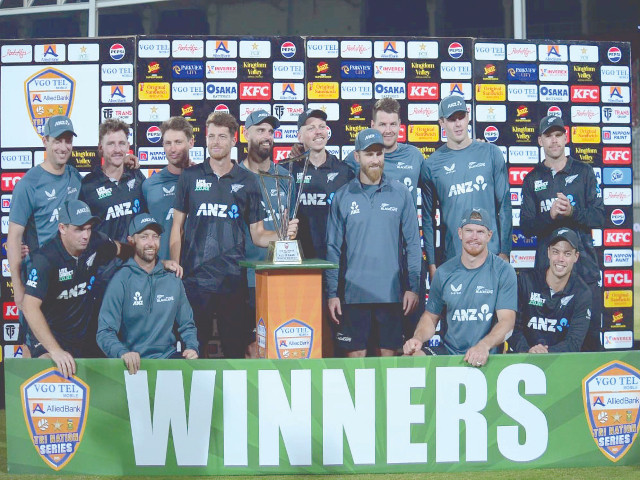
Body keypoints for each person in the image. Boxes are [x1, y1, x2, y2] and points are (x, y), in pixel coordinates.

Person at [170, 112, 298, 359]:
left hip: (232, 283)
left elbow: (259, 235)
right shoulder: (190, 177)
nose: (215, 142)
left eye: (221, 137)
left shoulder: (249, 181)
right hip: (195, 283)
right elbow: (177, 226)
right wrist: (176, 267)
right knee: (192, 352)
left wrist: (282, 236)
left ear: (233, 140)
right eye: (211, 137)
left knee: (236, 354)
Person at [326, 128, 421, 357]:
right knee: (355, 360)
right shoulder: (342, 196)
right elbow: (332, 249)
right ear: (357, 157)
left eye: (379, 154)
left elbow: (413, 244)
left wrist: (413, 288)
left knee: (388, 361)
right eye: (369, 154)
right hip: (353, 295)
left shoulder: (401, 194)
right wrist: (332, 293)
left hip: (390, 295)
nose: (375, 160)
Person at [344, 98, 429, 336]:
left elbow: (440, 184)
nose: (388, 130)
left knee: (411, 332)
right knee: (376, 335)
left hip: (408, 256)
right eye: (382, 124)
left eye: (393, 124)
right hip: (372, 260)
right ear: (372, 124)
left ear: (400, 124)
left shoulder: (414, 156)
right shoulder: (355, 160)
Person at [520, 115, 604, 351]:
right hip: (546, 281)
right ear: (540, 140)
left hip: (584, 272)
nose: (554, 140)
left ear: (566, 138)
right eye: (548, 136)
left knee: (588, 346)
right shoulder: (532, 178)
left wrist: (572, 212)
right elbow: (526, 226)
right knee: (546, 346)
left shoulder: (585, 172)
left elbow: (599, 217)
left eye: (558, 135)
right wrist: (551, 216)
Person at [20, 200, 130, 377]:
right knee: (46, 368)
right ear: (62, 228)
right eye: (79, 229)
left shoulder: (95, 242)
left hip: (82, 335)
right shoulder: (45, 259)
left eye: (88, 228)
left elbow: (123, 250)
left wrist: (158, 263)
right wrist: (55, 351)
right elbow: (29, 306)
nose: (85, 235)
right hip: (50, 337)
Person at [403, 208, 517, 367]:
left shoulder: (503, 271)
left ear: (489, 235)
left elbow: (507, 321)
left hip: (487, 353)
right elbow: (430, 317)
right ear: (460, 233)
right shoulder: (443, 273)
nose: (474, 237)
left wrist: (484, 346)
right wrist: (418, 338)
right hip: (450, 351)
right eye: (469, 230)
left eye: (480, 232)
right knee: (411, 359)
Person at [422, 95, 512, 278]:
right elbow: (428, 220)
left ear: (468, 117)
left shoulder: (491, 153)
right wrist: (431, 263)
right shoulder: (431, 165)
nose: (458, 124)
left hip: (492, 256)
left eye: (461, 117)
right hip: (453, 259)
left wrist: (505, 252)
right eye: (451, 119)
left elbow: (504, 206)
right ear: (441, 122)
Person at [97, 213, 199, 374]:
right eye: (144, 237)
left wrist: (192, 347)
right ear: (132, 240)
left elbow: (187, 325)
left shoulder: (173, 280)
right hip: (132, 362)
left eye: (155, 237)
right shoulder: (121, 280)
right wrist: (122, 352)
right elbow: (105, 332)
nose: (151, 243)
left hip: (168, 358)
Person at [7, 115, 82, 313]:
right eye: (58, 140)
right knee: (33, 342)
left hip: (70, 279)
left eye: (68, 141)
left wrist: (126, 160)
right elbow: (14, 237)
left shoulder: (75, 177)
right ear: (45, 141)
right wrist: (17, 288)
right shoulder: (28, 184)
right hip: (38, 276)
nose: (63, 147)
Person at [239, 110, 293, 357]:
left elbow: (288, 230)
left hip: (279, 275)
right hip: (245, 279)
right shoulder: (234, 177)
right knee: (252, 349)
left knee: (280, 344)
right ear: (245, 133)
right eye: (260, 130)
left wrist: (290, 233)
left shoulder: (285, 177)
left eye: (271, 132)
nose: (267, 136)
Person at [509, 228, 591, 353]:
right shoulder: (525, 281)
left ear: (576, 257)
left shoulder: (582, 292)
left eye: (567, 254)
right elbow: (512, 328)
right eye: (556, 252)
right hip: (523, 359)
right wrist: (528, 351)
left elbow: (574, 342)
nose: (560, 258)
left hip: (560, 364)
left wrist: (546, 353)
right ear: (548, 253)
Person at [291, 108, 353, 260]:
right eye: (311, 128)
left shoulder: (345, 172)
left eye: (322, 126)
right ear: (299, 136)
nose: (318, 132)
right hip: (298, 260)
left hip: (335, 260)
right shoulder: (288, 171)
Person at [80, 118, 146, 243]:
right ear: (101, 148)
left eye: (121, 143)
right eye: (111, 144)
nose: (117, 149)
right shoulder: (87, 186)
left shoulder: (137, 177)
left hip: (136, 261)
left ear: (127, 146)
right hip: (103, 261)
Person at [142, 116, 194, 260]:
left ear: (191, 143)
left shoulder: (203, 180)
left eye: (178, 142)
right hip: (162, 271)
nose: (172, 149)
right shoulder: (149, 186)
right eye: (168, 143)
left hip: (200, 272)